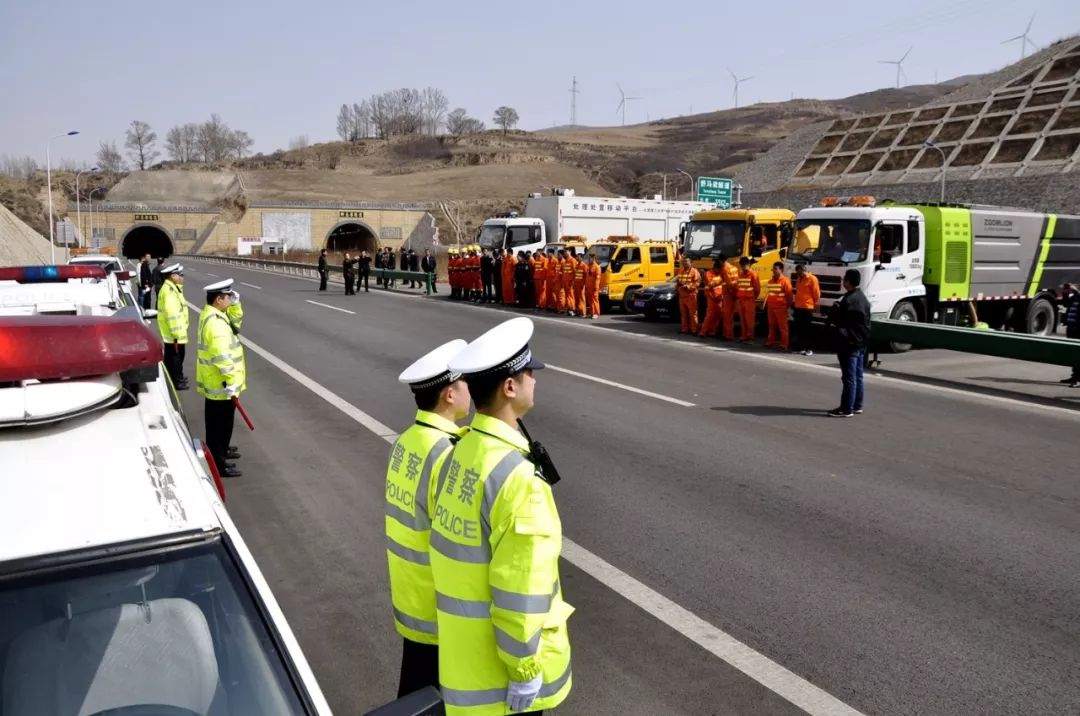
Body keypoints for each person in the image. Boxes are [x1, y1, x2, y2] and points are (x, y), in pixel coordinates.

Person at [430, 317, 572, 716]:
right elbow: (519, 590)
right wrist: (524, 668)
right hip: (502, 683)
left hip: (464, 666)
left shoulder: (460, 452)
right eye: (530, 374)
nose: (535, 381)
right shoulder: (519, 479)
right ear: (510, 387)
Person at [386, 338, 471, 698]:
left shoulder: (408, 439)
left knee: (415, 692)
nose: (471, 390)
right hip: (440, 604)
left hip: (411, 595)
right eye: (465, 383)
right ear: (449, 395)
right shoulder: (447, 454)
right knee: (436, 697)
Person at [197, 278, 245, 477]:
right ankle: (218, 463)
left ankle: (222, 450)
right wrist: (232, 381)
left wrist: (236, 304)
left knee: (222, 423)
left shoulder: (215, 314)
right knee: (219, 424)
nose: (229, 300)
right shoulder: (215, 324)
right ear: (218, 299)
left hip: (220, 383)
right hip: (222, 383)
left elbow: (236, 324)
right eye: (227, 297)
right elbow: (221, 355)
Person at [827, 269, 871, 417]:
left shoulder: (847, 300)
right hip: (861, 342)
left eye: (844, 279)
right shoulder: (863, 298)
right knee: (858, 376)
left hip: (849, 343)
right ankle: (857, 405)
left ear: (849, 282)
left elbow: (838, 320)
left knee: (849, 378)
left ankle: (846, 408)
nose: (842, 281)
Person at [156, 263, 189, 390]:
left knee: (173, 357)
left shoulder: (172, 288)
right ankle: (177, 381)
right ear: (172, 276)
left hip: (174, 332)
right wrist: (177, 333)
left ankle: (174, 377)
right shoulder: (169, 291)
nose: (182, 277)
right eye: (179, 275)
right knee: (176, 358)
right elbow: (172, 313)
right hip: (175, 333)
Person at [764, 262, 794, 351]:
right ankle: (770, 342)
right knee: (771, 325)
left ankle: (784, 344)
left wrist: (786, 306)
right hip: (771, 307)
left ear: (781, 270)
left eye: (775, 269)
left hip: (780, 308)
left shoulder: (785, 281)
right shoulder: (770, 281)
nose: (774, 271)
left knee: (783, 327)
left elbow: (789, 296)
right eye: (773, 269)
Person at [792, 264, 821, 355]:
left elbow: (816, 293)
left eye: (799, 272)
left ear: (803, 270)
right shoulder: (799, 279)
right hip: (798, 307)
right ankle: (801, 348)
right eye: (797, 272)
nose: (798, 274)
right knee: (799, 329)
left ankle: (809, 349)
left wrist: (816, 304)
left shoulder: (812, 279)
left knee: (807, 329)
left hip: (807, 307)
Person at [735, 257, 760, 342]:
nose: (743, 267)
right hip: (741, 300)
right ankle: (744, 335)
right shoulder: (740, 274)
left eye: (744, 265)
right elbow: (738, 286)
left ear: (748, 265)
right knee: (743, 319)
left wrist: (752, 298)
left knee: (749, 320)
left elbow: (757, 289)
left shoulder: (753, 274)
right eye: (742, 265)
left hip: (749, 300)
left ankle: (750, 336)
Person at [698, 258, 725, 338]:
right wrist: (720, 281)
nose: (720, 271)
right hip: (712, 297)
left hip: (720, 297)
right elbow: (711, 284)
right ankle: (703, 332)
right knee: (710, 315)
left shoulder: (721, 273)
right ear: (715, 268)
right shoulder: (708, 274)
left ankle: (712, 331)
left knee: (718, 315)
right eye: (719, 269)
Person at [676, 256, 701, 335]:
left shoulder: (694, 271)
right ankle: (685, 329)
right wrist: (678, 288)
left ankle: (694, 330)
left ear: (691, 263)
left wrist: (688, 287)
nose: (685, 263)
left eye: (686, 262)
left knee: (692, 314)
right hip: (682, 296)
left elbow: (697, 283)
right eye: (684, 262)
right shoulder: (680, 271)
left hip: (691, 295)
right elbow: (678, 282)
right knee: (684, 314)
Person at [1061, 283, 1080, 388]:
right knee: (1073, 354)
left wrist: (1076, 291)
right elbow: (1065, 304)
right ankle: (1074, 376)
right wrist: (1065, 293)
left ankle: (1079, 379)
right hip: (1072, 329)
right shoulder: (1074, 298)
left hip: (1079, 330)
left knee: (1079, 355)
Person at [719, 254, 739, 340]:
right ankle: (729, 334)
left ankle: (728, 335)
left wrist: (731, 293)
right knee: (730, 315)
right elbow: (736, 281)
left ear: (721, 261)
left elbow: (728, 283)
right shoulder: (734, 267)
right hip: (735, 292)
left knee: (727, 315)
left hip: (728, 293)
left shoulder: (724, 269)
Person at [583, 252, 601, 319]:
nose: (589, 259)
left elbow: (597, 278)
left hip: (593, 287)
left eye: (590, 258)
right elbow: (587, 277)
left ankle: (596, 313)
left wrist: (596, 287)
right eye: (589, 258)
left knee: (594, 300)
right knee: (590, 301)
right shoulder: (588, 266)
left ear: (593, 259)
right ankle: (591, 313)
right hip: (588, 287)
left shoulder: (597, 267)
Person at [571, 252, 586, 317]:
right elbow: (574, 275)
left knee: (581, 299)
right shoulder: (576, 265)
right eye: (577, 257)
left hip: (581, 285)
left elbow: (585, 276)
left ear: (581, 258)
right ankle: (577, 311)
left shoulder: (584, 266)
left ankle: (583, 312)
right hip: (576, 284)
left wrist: (583, 284)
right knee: (576, 299)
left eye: (578, 257)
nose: (577, 258)